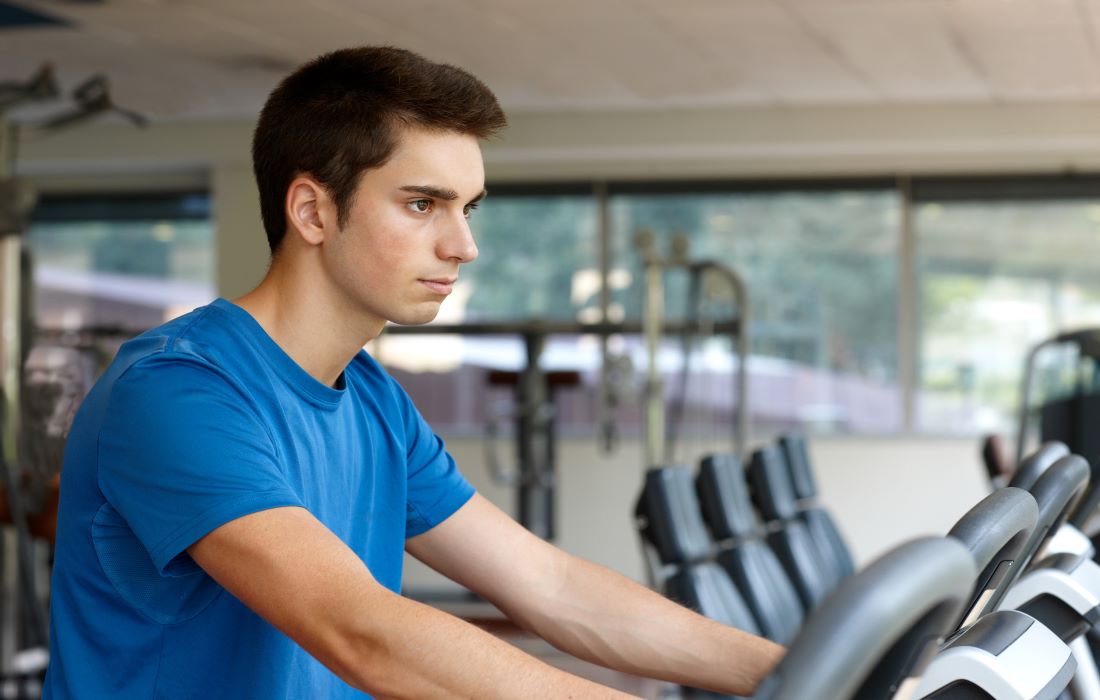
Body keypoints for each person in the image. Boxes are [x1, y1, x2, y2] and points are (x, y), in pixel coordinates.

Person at [44, 46, 784, 699]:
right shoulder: (179, 392)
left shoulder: (372, 402)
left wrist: (794, 676)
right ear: (312, 210)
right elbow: (361, 633)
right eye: (423, 204)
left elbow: (553, 589)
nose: (463, 245)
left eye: (468, 208)